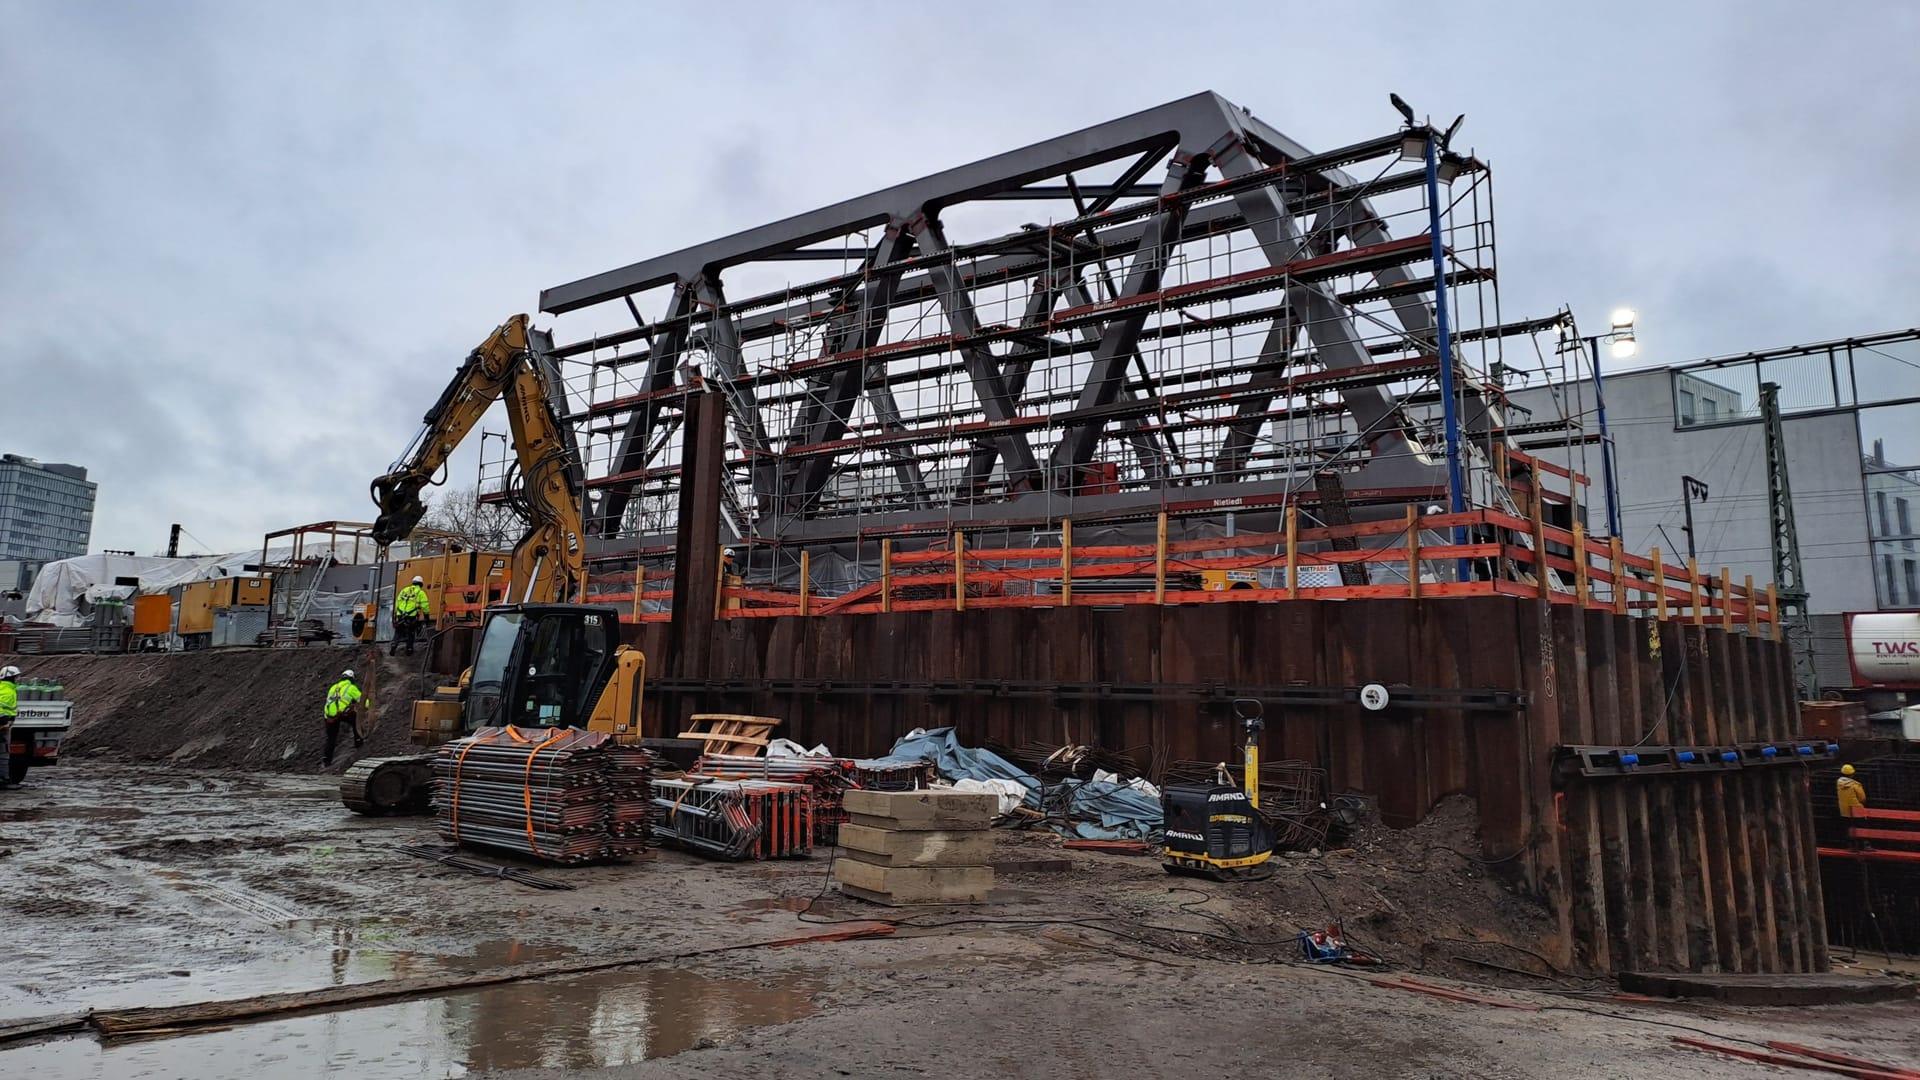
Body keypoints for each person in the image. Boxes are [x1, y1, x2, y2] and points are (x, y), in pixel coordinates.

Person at [323, 668, 364, 767]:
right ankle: (359, 742)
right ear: (352, 679)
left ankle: (326, 760)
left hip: (329, 716)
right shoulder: (351, 687)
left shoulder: (333, 688)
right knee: (356, 721)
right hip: (343, 713)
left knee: (331, 738)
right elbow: (363, 700)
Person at [392, 575, 431, 657]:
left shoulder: (404, 590)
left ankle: (394, 644)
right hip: (411, 615)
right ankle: (409, 649)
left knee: (398, 631)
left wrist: (395, 614)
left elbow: (397, 602)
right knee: (411, 632)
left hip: (400, 614)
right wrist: (426, 616)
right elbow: (425, 606)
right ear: (421, 584)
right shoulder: (420, 592)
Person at [0, 666, 17, 790]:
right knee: (3, 753)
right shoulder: (7, 690)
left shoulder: (5, 688)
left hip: (4, 724)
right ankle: (3, 780)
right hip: (2, 726)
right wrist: (3, 721)